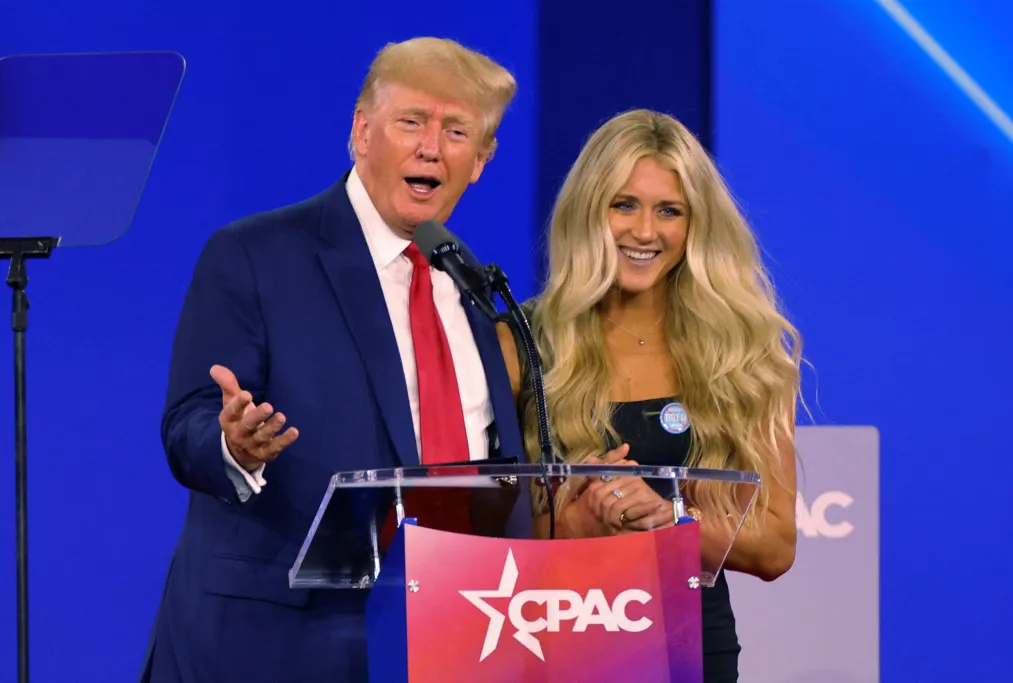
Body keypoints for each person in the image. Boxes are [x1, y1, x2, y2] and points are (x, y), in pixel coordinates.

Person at [141, 37, 524, 683]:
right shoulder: (255, 255)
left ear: (481, 160)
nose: (431, 147)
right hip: (273, 644)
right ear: (362, 131)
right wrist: (233, 444)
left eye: (457, 131)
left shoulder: (475, 288)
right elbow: (190, 423)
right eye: (412, 121)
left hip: (448, 635)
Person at [498, 109, 802, 683]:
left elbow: (775, 546)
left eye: (669, 211)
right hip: (550, 645)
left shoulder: (741, 353)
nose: (644, 232)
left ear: (696, 224)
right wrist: (574, 523)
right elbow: (467, 537)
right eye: (624, 205)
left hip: (690, 652)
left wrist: (671, 518)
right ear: (589, 210)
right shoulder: (519, 344)